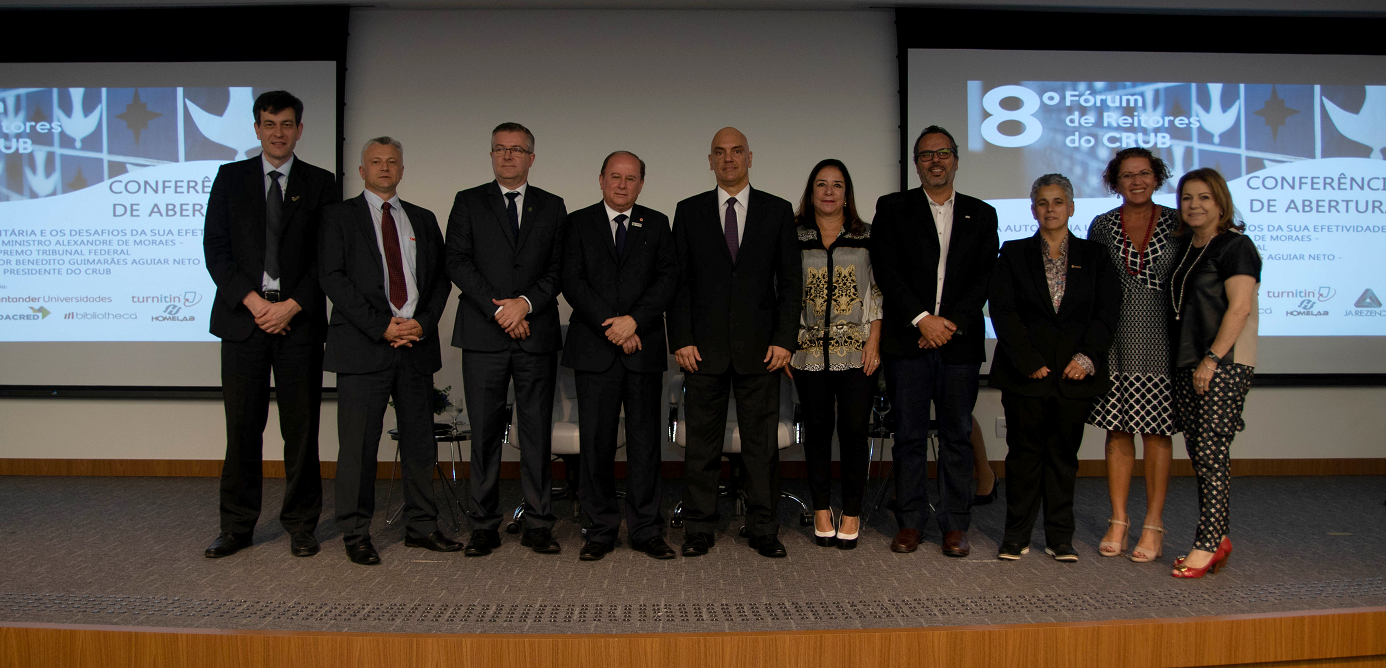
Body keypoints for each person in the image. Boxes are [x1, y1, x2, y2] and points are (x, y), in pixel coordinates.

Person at [201, 90, 339, 559]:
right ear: (257, 129)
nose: (278, 132)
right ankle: (237, 527)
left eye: (286, 124)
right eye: (268, 124)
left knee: (300, 431)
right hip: (244, 321)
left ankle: (302, 525)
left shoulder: (321, 183)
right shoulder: (230, 178)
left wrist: (291, 305)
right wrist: (256, 303)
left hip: (298, 323)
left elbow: (328, 257)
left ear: (300, 129)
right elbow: (215, 251)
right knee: (242, 429)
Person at [318, 137, 458, 565]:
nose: (384, 168)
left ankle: (421, 526)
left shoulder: (422, 218)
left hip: (415, 345)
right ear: (361, 171)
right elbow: (332, 278)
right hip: (363, 347)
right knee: (359, 445)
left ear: (402, 169)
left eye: (391, 162)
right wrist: (382, 326)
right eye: (375, 162)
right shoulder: (337, 217)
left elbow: (440, 280)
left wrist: (422, 322)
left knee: (420, 443)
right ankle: (356, 532)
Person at [667, 127, 801, 559]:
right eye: (720, 153)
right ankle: (699, 527)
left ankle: (763, 528)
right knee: (701, 445)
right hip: (701, 351)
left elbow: (790, 283)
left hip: (761, 351)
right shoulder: (687, 212)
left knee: (760, 448)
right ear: (710, 161)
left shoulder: (777, 211)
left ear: (749, 157)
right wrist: (681, 339)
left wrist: (785, 341)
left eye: (736, 151)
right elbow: (679, 283)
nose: (728, 159)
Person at [870, 125, 998, 557]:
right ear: (917, 163)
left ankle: (955, 525)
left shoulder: (981, 214)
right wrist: (924, 320)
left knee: (956, 436)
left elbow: (983, 278)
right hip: (908, 341)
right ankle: (909, 523)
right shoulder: (892, 208)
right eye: (926, 155)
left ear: (957, 160)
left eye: (943, 153)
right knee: (908, 435)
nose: (935, 161)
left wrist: (948, 324)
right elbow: (887, 271)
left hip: (959, 344)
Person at [445, 122, 567, 556]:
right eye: (500, 149)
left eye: (517, 150)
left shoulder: (552, 206)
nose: (508, 156)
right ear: (491, 155)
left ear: (532, 157)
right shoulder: (468, 201)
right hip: (484, 335)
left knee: (536, 434)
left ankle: (538, 523)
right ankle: (483, 524)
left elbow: (558, 268)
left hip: (535, 333)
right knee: (485, 433)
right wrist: (501, 309)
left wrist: (525, 305)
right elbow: (456, 261)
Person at [988, 174, 1120, 562]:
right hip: (1025, 374)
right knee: (1023, 457)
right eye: (1043, 202)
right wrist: (1027, 360)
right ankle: (1016, 536)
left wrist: (1087, 358)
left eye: (1058, 202)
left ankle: (1060, 537)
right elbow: (1003, 311)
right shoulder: (1012, 254)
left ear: (1072, 207)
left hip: (1073, 376)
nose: (1050, 209)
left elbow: (1106, 313)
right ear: (1033, 209)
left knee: (1063, 459)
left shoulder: (1095, 256)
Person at [561, 151, 679, 561]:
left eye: (631, 178)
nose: (622, 184)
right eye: (615, 176)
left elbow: (668, 280)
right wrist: (614, 325)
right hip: (596, 348)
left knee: (645, 443)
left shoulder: (658, 223)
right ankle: (600, 528)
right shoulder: (577, 222)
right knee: (597, 443)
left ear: (642, 184)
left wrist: (634, 322)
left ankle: (646, 529)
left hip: (642, 347)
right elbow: (571, 281)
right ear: (600, 179)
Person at [1086, 147, 1181, 563]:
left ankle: (1154, 524)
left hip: (1163, 340)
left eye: (1144, 173)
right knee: (1118, 429)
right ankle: (1119, 519)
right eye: (1127, 175)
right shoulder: (1102, 226)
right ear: (1115, 182)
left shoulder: (1179, 224)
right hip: (1114, 339)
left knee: (1157, 432)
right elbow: (1090, 287)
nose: (1136, 181)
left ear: (1157, 178)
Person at [1167, 168, 1260, 578]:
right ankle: (1217, 537)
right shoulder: (1187, 248)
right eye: (1187, 198)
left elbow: (1239, 308)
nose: (1194, 205)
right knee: (1200, 455)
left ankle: (1207, 543)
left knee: (1210, 453)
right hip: (1188, 363)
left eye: (1204, 197)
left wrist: (1212, 360)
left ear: (1220, 202)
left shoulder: (1236, 246)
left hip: (1222, 363)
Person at [786, 159, 881, 550]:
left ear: (847, 194)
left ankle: (853, 511)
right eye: (821, 184)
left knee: (855, 433)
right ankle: (822, 509)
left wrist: (874, 343)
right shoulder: (792, 236)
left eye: (837, 185)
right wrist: (785, 344)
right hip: (807, 354)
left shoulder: (867, 237)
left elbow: (877, 293)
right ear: (811, 192)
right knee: (818, 433)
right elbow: (781, 293)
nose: (829, 192)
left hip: (859, 352)